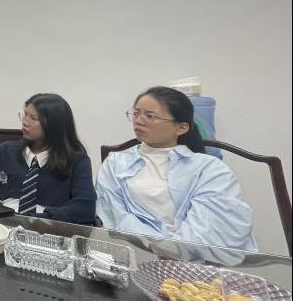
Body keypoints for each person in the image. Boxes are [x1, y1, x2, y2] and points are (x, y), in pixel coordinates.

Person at [96, 86, 257, 251]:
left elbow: (210, 227)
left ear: (181, 128)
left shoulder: (209, 169)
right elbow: (115, 215)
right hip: (134, 252)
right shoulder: (115, 163)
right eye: (136, 113)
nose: (139, 120)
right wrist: (155, 249)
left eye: (149, 116)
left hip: (194, 260)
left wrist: (173, 251)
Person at [0, 93, 96, 225]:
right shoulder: (7, 151)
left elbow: (84, 208)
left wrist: (37, 220)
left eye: (33, 118)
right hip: (1, 224)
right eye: (25, 115)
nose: (25, 122)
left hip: (48, 228)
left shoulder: (77, 161)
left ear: (53, 125)